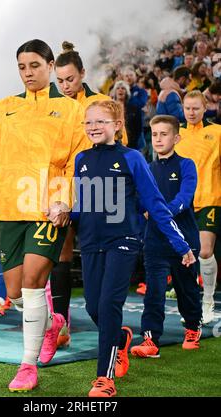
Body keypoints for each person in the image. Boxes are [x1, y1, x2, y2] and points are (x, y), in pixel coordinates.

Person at [0, 39, 90, 392]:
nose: (28, 73)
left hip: (48, 208)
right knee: (14, 293)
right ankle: (53, 322)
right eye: (22, 67)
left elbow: (80, 160)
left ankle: (27, 366)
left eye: (34, 65)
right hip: (9, 208)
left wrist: (65, 201)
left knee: (31, 283)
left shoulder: (72, 111)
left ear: (49, 65)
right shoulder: (5, 108)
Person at [74, 100, 195, 397]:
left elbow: (154, 204)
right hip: (90, 243)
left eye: (101, 121)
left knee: (108, 305)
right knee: (93, 307)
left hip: (124, 242)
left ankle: (105, 378)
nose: (94, 127)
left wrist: (181, 245)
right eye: (89, 122)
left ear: (117, 125)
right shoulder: (81, 159)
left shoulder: (132, 158)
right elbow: (84, 205)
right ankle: (122, 339)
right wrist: (64, 209)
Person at [50, 41, 121, 349]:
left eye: (70, 79)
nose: (65, 85)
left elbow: (121, 146)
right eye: (60, 80)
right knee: (61, 256)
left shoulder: (102, 102)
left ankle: (109, 325)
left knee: (101, 257)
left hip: (99, 189)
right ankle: (62, 326)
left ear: (83, 73)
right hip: (62, 187)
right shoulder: (52, 106)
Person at [130, 115, 202, 359]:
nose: (158, 139)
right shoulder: (147, 168)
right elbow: (138, 200)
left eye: (164, 134)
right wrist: (143, 209)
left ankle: (192, 327)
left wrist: (160, 213)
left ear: (176, 137)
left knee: (187, 289)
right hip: (155, 242)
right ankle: (151, 339)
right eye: (154, 134)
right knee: (154, 291)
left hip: (185, 240)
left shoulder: (186, 165)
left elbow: (186, 197)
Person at [175, 90, 221, 324]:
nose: (191, 112)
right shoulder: (177, 135)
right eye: (187, 108)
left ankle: (208, 303)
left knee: (204, 251)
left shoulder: (217, 132)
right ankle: (193, 306)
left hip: (210, 199)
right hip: (183, 203)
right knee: (188, 255)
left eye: (196, 108)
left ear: (205, 108)